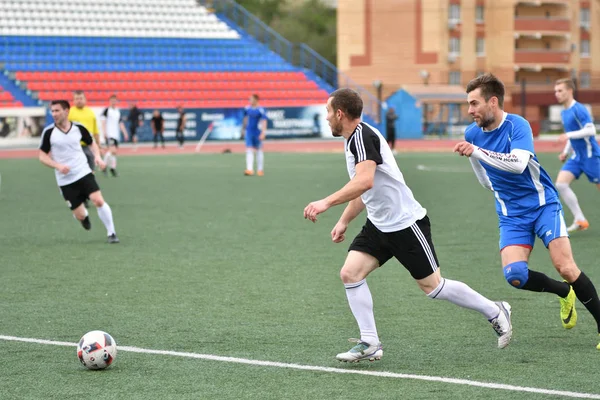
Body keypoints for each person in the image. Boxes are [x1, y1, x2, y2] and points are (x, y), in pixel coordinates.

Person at [303, 88, 513, 363]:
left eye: (329, 112)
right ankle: (370, 342)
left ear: (340, 113)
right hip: (379, 225)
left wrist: (326, 203)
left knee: (433, 287)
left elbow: (364, 181)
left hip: (405, 224)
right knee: (350, 273)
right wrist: (344, 221)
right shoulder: (354, 139)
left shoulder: (363, 138)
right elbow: (367, 189)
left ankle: (495, 310)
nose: (327, 117)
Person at [453, 73, 600, 349]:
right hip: (511, 214)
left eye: (474, 104)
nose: (470, 110)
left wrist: (477, 153)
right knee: (515, 275)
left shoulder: (517, 126)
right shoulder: (472, 133)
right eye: (469, 104)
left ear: (493, 102)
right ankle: (563, 292)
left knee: (566, 266)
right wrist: (477, 157)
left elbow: (518, 164)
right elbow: (484, 177)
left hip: (542, 203)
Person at [39, 100, 120, 244]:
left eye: (57, 111)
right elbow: (42, 156)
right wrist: (57, 165)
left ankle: (111, 233)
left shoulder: (79, 128)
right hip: (65, 180)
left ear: (66, 111)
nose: (54, 114)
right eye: (52, 111)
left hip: (83, 171)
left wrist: (97, 157)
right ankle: (83, 218)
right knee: (80, 214)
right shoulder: (49, 132)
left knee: (98, 200)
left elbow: (91, 143)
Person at [554, 78, 599, 232]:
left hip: (590, 155)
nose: (557, 94)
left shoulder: (579, 109)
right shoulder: (564, 112)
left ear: (570, 91)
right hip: (576, 156)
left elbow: (591, 130)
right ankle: (580, 219)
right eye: (556, 91)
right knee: (561, 184)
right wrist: (565, 151)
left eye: (560, 91)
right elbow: (571, 135)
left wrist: (568, 135)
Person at [69, 90, 100, 172]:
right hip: (74, 147)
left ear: (85, 100)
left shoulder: (90, 113)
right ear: (73, 100)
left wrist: (98, 145)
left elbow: (95, 131)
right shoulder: (69, 112)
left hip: (88, 146)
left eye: (81, 98)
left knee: (90, 171)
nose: (79, 100)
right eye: (77, 99)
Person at [101, 95, 128, 177]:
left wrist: (125, 132)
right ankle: (105, 166)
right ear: (109, 101)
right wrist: (104, 132)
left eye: (115, 100)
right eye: (112, 100)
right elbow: (103, 122)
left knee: (114, 152)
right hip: (110, 134)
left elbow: (121, 123)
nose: (113, 102)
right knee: (112, 150)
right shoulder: (106, 110)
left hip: (116, 135)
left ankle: (110, 167)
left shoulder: (117, 112)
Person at [241, 94, 267, 176]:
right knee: (249, 149)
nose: (250, 101)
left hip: (257, 132)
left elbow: (264, 121)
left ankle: (260, 170)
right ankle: (249, 169)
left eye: (251, 99)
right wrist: (243, 129)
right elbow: (245, 119)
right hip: (249, 132)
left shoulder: (261, 110)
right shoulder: (247, 108)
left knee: (259, 150)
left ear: (256, 100)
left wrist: (263, 132)